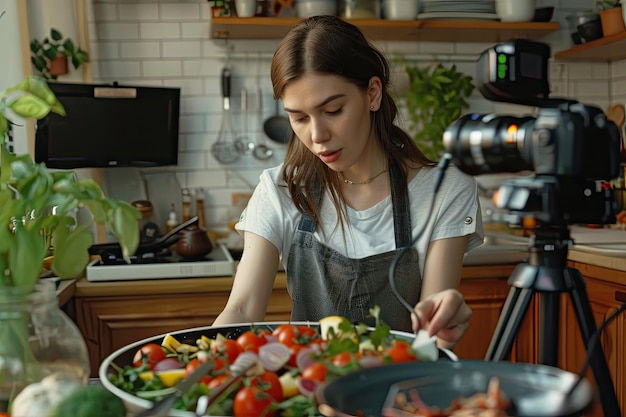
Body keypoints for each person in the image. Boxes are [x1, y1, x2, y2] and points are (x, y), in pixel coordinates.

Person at [213, 15, 483, 349]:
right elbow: (241, 309)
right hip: (304, 392)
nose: (317, 135)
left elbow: (432, 333)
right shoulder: (280, 190)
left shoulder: (445, 190)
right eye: (298, 118)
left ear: (372, 93)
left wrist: (444, 320)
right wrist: (206, 366)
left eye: (333, 110)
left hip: (400, 391)